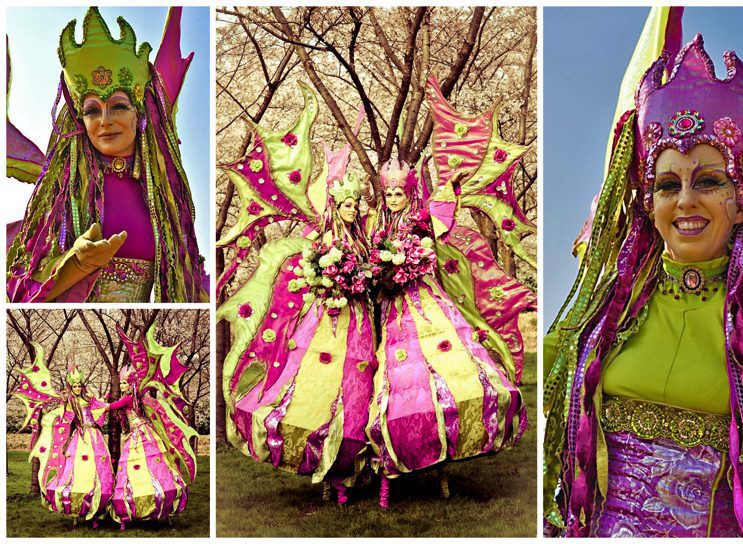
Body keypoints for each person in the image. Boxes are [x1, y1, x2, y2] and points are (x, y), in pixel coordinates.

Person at [542, 29, 743, 537]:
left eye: (709, 181)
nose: (686, 200)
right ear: (648, 203)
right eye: (668, 184)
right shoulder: (602, 320)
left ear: (742, 201)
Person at [362, 76, 534, 509]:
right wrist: (380, 272)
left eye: (402, 192)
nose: (396, 198)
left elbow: (430, 248)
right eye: (391, 193)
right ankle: (385, 465)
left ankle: (437, 456)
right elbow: (369, 261)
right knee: (387, 383)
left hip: (423, 307)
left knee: (432, 377)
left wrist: (409, 261)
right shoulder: (376, 227)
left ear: (409, 193)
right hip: (385, 310)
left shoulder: (422, 222)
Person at [218, 85, 376, 505]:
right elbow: (307, 269)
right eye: (345, 205)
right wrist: (327, 277)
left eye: (354, 206)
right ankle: (323, 466)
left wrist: (362, 278)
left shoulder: (365, 240)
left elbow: (373, 271)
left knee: (358, 389)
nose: (350, 211)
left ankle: (357, 466)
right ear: (335, 206)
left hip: (359, 321)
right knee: (315, 388)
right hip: (326, 321)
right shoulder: (321, 239)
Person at [6, 7, 207, 302]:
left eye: (118, 106)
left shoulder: (164, 198)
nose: (105, 121)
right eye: (91, 110)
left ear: (139, 113)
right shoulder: (62, 196)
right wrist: (77, 263)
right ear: (80, 120)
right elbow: (18, 293)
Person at [107, 326, 197, 529]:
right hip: (138, 433)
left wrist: (101, 405)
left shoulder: (130, 398)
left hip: (140, 435)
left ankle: (155, 504)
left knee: (149, 466)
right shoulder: (133, 397)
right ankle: (145, 506)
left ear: (130, 384)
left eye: (123, 383)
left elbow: (114, 406)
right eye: (120, 383)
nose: (120, 386)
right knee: (142, 467)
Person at [13, 350, 113, 525]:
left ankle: (97, 511)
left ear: (82, 386)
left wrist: (105, 401)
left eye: (79, 386)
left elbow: (104, 408)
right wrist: (54, 414)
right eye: (74, 386)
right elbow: (66, 420)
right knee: (78, 472)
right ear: (70, 387)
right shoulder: (69, 403)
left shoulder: (90, 399)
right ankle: (77, 511)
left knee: (97, 471)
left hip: (94, 437)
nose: (77, 388)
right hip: (80, 439)